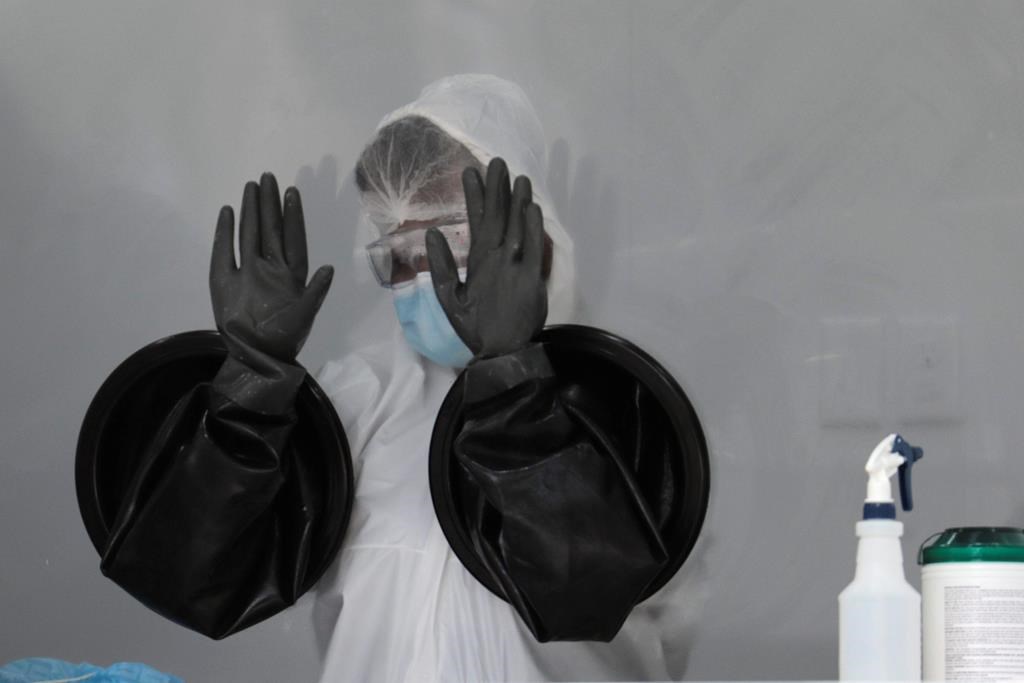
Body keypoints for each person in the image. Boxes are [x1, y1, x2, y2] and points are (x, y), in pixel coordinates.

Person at [100, 75, 685, 682]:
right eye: (397, 254)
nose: (419, 276)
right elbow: (188, 582)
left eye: (448, 240)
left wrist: (513, 380)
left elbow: (591, 594)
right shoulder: (356, 403)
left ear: (528, 230)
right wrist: (251, 385)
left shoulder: (629, 405)